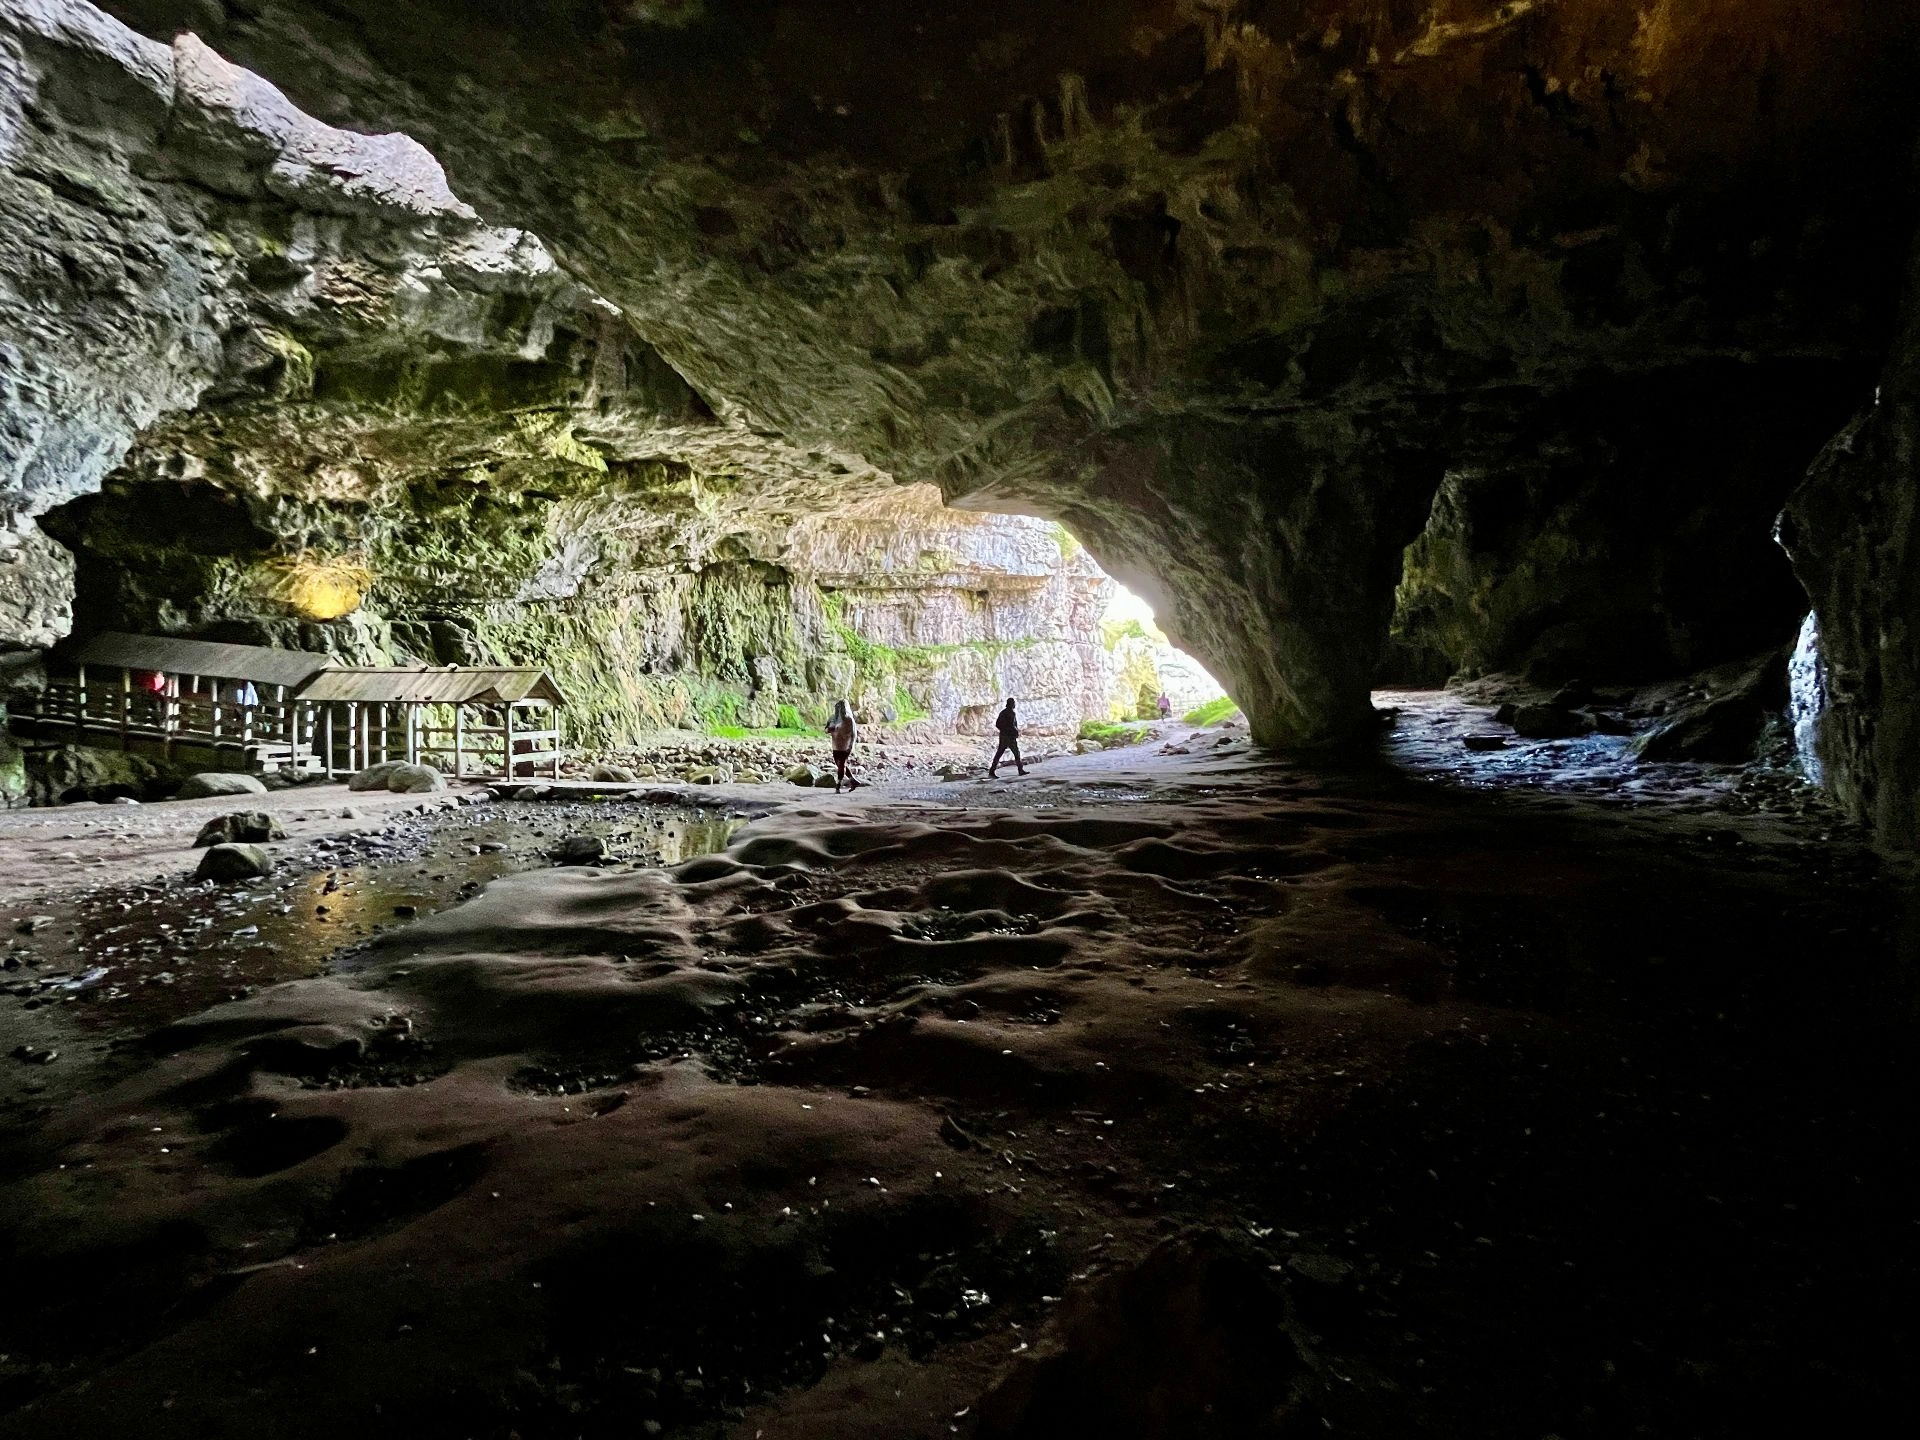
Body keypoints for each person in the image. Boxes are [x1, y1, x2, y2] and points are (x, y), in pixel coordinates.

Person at [826, 698, 860, 792]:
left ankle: (838, 786)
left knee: (841, 764)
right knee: (840, 765)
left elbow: (854, 734)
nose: (840, 710)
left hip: (845, 745)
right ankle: (853, 781)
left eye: (841, 707)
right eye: (838, 707)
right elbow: (826, 729)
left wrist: (851, 746)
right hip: (836, 745)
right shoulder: (833, 718)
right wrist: (829, 730)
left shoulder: (849, 719)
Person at [989, 697, 1025, 777]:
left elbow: (998, 724)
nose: (1014, 704)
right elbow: (1011, 725)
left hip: (1004, 736)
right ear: (1011, 704)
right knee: (1016, 753)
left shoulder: (1003, 712)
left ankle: (992, 771)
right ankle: (1020, 770)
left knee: (999, 753)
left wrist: (1004, 731)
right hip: (1009, 737)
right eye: (1013, 703)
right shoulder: (1010, 713)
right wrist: (1012, 731)